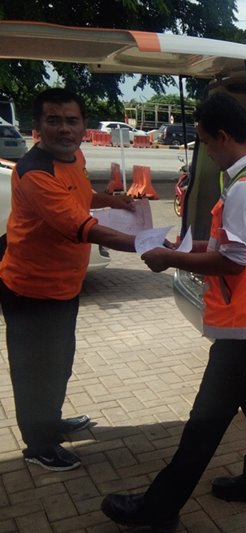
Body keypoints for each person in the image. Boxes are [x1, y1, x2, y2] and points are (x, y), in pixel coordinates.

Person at [101, 92, 246, 531]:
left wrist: (170, 259)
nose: (206, 150)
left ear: (223, 136)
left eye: (205, 142)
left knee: (205, 421)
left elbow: (235, 261)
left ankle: (159, 509)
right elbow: (237, 245)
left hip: (242, 324)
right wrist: (188, 246)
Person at [0, 88, 137, 471]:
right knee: (35, 370)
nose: (64, 129)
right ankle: (38, 445)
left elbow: (79, 196)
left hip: (64, 287)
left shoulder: (74, 157)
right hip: (31, 291)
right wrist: (147, 244)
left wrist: (114, 201)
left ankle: (50, 421)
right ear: (37, 127)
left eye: (72, 121)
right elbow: (83, 227)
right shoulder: (35, 172)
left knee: (59, 363)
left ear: (83, 126)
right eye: (54, 121)